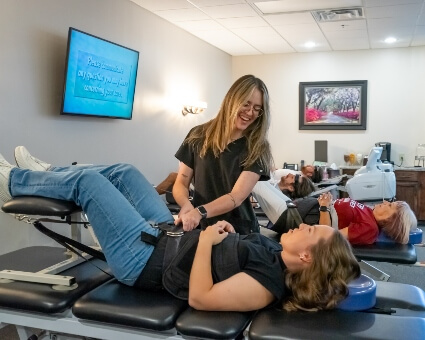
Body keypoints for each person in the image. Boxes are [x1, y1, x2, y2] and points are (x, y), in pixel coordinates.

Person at [0, 152, 360, 312]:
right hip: (165, 234)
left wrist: (206, 241)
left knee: (90, 183)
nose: (305, 226)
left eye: (311, 231)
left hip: (142, 261)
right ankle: (47, 173)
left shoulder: (268, 284)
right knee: (126, 171)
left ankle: (14, 182)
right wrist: (214, 228)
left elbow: (200, 298)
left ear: (306, 256)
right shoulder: (273, 254)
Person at [173, 75, 274, 235]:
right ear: (231, 100)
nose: (250, 112)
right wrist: (186, 205)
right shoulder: (197, 135)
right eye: (246, 104)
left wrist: (199, 212)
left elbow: (236, 197)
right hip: (201, 226)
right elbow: (181, 183)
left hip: (239, 231)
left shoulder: (257, 147)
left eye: (257, 108)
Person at [253, 180, 417, 245]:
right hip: (300, 207)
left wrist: (325, 206)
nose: (386, 202)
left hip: (296, 218)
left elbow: (328, 235)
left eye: (391, 206)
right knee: (260, 181)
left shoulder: (370, 229)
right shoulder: (367, 211)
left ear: (390, 220)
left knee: (256, 184)